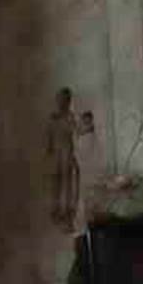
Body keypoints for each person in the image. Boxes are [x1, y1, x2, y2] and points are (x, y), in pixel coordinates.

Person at [47, 88, 94, 232]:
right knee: (58, 186)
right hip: (59, 156)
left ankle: (66, 216)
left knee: (65, 186)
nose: (62, 102)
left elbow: (77, 131)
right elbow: (49, 138)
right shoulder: (57, 118)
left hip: (64, 156)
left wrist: (88, 128)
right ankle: (59, 213)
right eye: (61, 99)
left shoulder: (67, 118)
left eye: (64, 99)